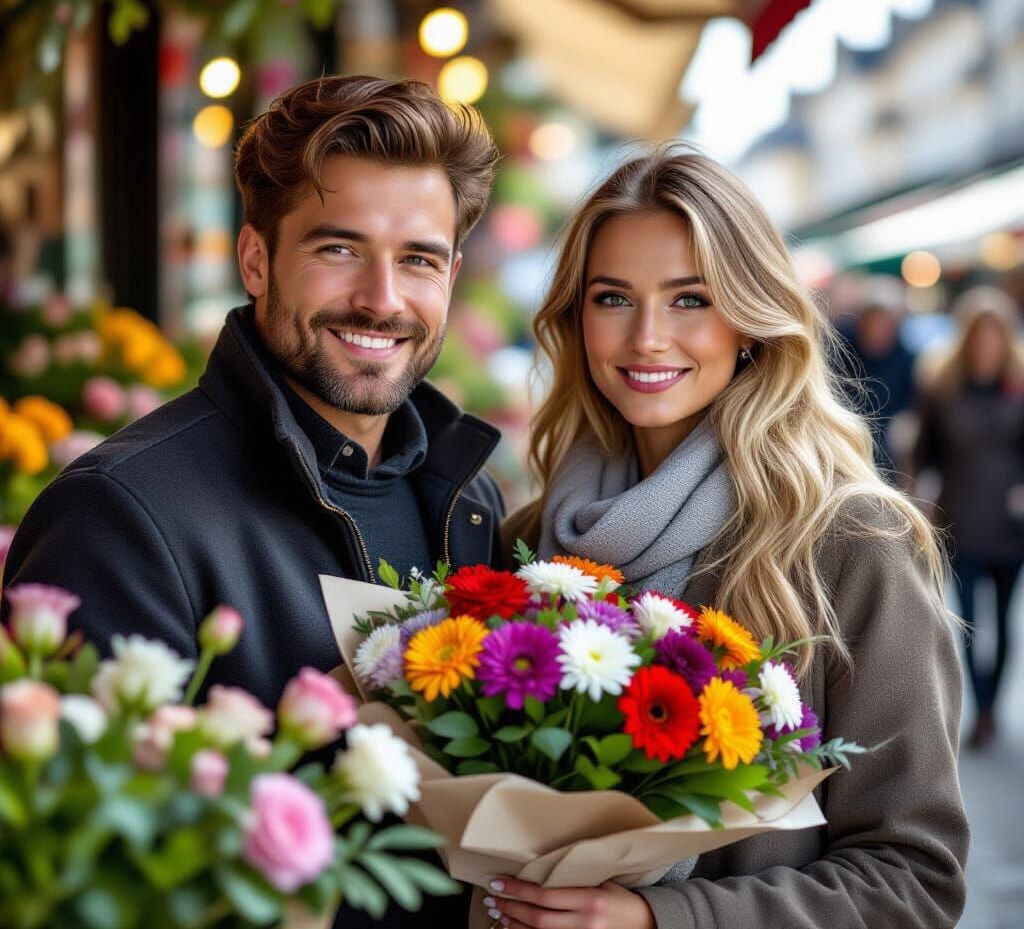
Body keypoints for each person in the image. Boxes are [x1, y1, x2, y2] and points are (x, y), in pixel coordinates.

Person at [2, 74, 503, 928]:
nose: (383, 298)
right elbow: (88, 880)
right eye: (338, 248)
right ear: (256, 259)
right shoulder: (119, 515)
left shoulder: (469, 497)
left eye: (417, 258)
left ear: (452, 274)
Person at [495, 146, 968, 929]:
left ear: (750, 317)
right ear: (576, 320)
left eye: (690, 300)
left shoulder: (850, 541)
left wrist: (662, 920)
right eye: (613, 298)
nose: (647, 337)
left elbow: (914, 881)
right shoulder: (533, 539)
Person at [912, 285, 1024, 749]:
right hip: (959, 518)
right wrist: (916, 496)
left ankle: (991, 706)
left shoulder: (1019, 386)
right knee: (970, 623)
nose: (986, 344)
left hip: (1010, 523)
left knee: (1003, 619)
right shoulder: (943, 386)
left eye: (994, 335)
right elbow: (924, 453)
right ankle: (978, 710)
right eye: (979, 335)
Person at [833, 278, 916, 482]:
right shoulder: (840, 350)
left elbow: (909, 411)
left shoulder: (906, 359)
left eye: (885, 322)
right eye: (874, 320)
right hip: (843, 447)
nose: (878, 329)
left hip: (887, 454)